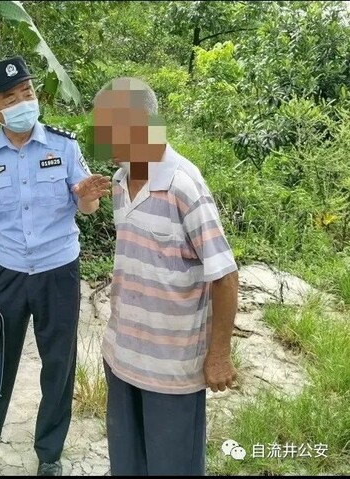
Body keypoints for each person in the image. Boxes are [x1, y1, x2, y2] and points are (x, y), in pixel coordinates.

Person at [0, 56, 112, 476]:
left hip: (59, 271)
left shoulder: (64, 146)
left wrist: (87, 196)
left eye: (27, 92)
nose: (23, 102)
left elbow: (86, 206)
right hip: (9, 273)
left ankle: (49, 453)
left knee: (58, 363)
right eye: (11, 98)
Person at [93, 77, 239, 476]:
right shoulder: (121, 181)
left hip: (172, 369)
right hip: (122, 355)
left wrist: (219, 354)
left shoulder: (183, 186)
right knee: (127, 465)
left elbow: (225, 276)